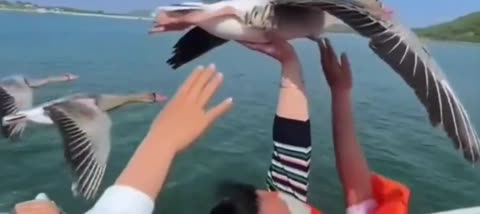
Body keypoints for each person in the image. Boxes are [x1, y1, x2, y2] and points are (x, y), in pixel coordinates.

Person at [208, 38, 410, 214]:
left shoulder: (284, 203)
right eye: (257, 198)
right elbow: (359, 192)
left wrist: (290, 62)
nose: (269, 193)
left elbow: (290, 148)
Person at [11, 64, 234, 214]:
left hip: (48, 112)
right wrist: (163, 141)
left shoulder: (97, 103)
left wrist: (162, 140)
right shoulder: (94, 109)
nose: (155, 98)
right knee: (99, 126)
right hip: (43, 113)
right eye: (153, 96)